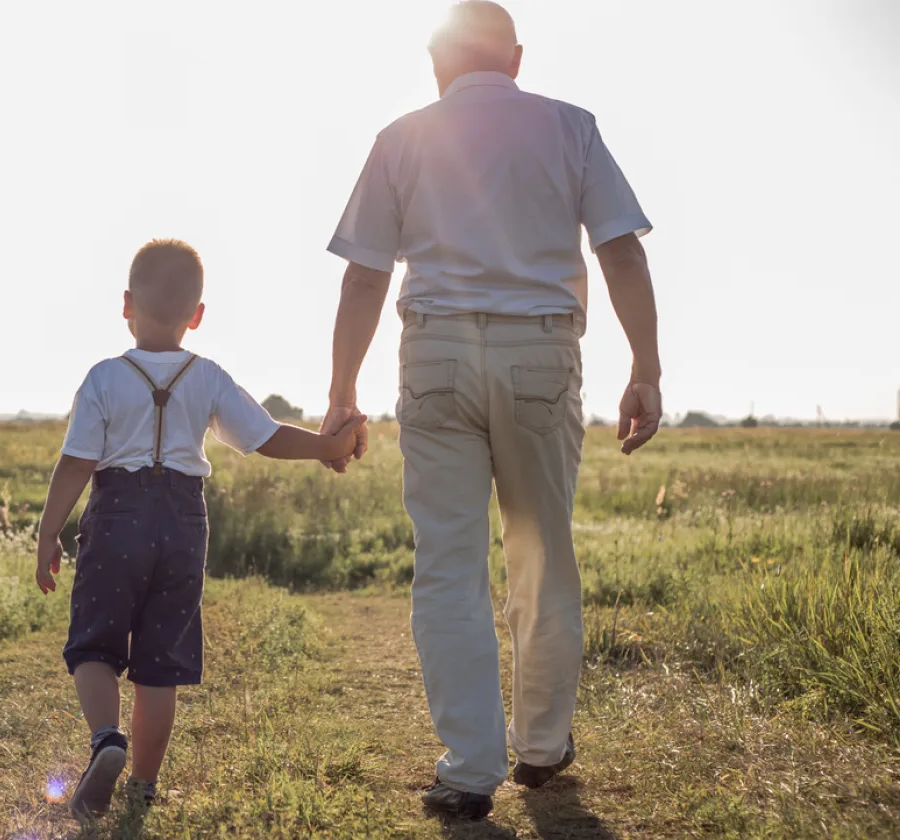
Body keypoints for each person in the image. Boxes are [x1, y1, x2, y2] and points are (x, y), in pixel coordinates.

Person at [318, 0, 663, 820]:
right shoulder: (572, 127)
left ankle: (469, 770)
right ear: (515, 58)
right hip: (540, 353)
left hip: (435, 354)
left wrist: (341, 394)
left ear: (436, 63)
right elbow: (620, 250)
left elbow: (365, 275)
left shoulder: (401, 137)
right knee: (542, 555)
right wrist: (646, 369)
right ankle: (541, 749)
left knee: (448, 565)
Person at [35, 238, 367, 822]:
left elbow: (76, 463)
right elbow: (265, 436)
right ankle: (143, 786)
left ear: (126, 304)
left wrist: (47, 533)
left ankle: (106, 740)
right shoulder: (207, 376)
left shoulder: (104, 378)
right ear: (197, 315)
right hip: (184, 524)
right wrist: (329, 447)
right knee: (161, 661)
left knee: (94, 644)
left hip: (116, 520)